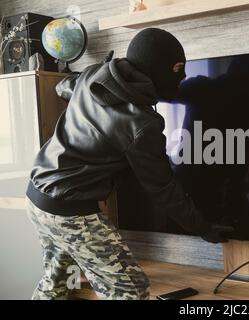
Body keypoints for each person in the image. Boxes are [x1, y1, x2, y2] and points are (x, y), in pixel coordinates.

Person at [25, 28, 231, 300]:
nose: (183, 78)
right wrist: (203, 227)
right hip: (70, 210)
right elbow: (163, 189)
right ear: (162, 69)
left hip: (37, 195)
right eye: (179, 69)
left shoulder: (93, 76)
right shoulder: (142, 124)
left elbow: (63, 86)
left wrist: (77, 98)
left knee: (57, 281)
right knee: (130, 290)